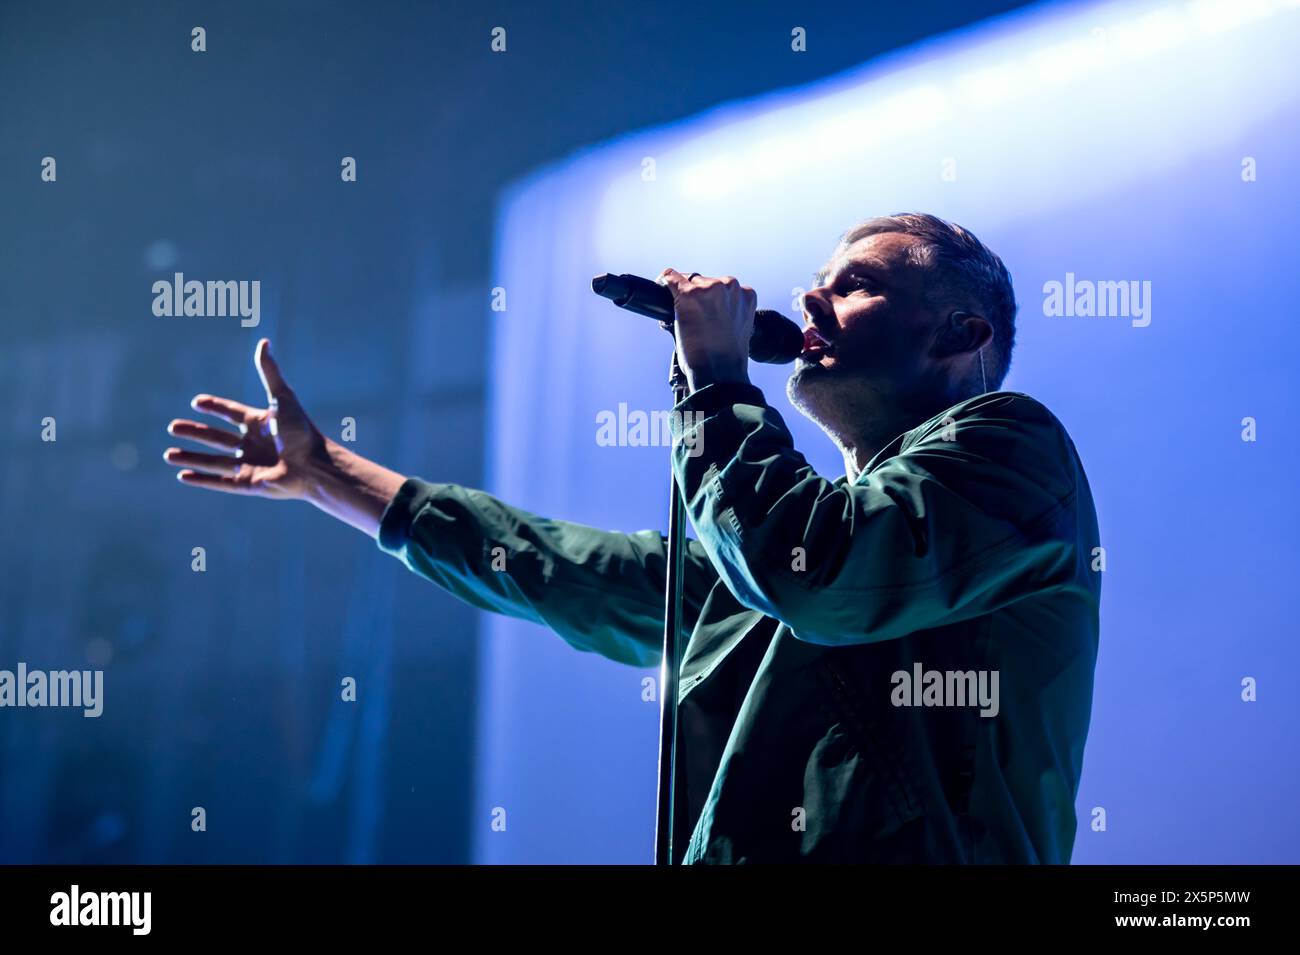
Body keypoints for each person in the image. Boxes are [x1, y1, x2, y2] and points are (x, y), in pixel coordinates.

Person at [164, 212, 1101, 864]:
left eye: (854, 286)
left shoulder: (1011, 448)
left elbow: (816, 570)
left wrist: (719, 383)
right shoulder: (772, 545)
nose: (810, 302)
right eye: (814, 283)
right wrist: (329, 471)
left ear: (961, 330)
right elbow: (561, 571)